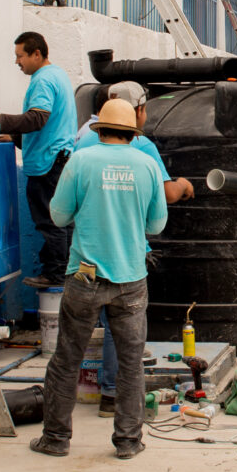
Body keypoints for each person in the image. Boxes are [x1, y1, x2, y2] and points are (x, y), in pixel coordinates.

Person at [31, 100, 167, 460]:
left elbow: (58, 216)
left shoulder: (81, 160)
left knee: (66, 359)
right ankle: (127, 440)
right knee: (130, 362)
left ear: (100, 128)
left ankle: (56, 438)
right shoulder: (148, 165)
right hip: (132, 279)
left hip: (85, 277)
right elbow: (156, 225)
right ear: (132, 132)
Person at [70, 81, 195, 417]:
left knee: (75, 333)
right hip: (125, 260)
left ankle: (65, 408)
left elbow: (60, 211)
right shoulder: (142, 148)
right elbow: (161, 211)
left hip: (84, 260)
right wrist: (183, 185)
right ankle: (114, 399)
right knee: (120, 329)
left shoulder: (83, 136)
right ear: (137, 111)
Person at [0, 32, 76, 289]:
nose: (17, 62)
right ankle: (64, 271)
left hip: (47, 163)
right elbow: (49, 124)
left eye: (20, 56)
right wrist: (15, 137)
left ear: (36, 54)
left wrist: (0, 119)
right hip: (60, 159)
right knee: (63, 220)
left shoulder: (43, 81)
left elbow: (37, 119)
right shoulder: (59, 75)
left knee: (49, 220)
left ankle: (55, 274)